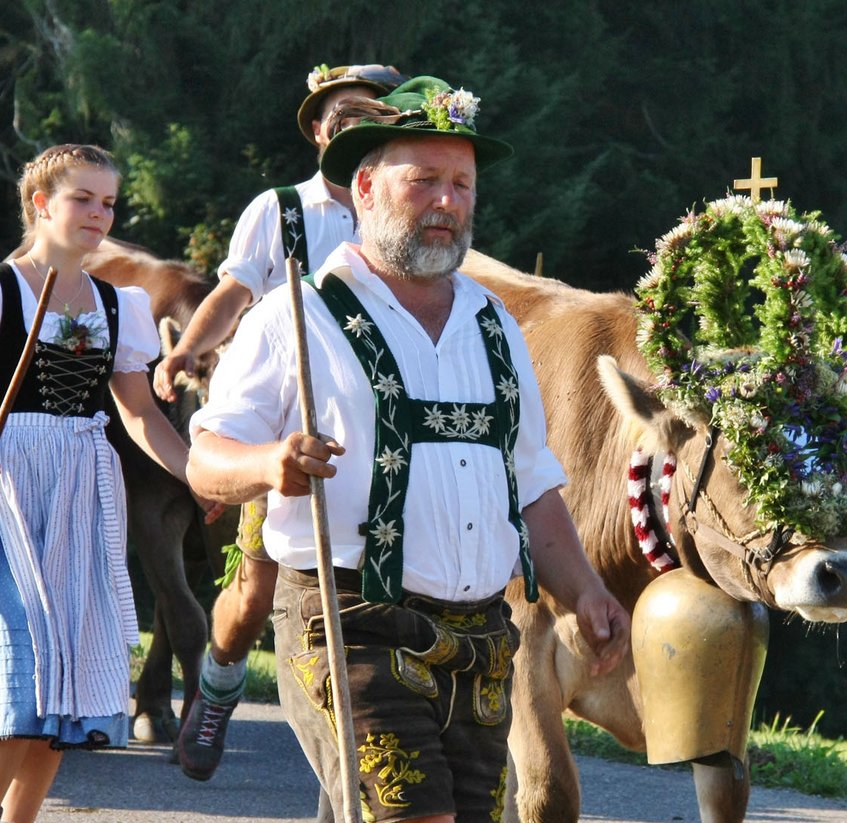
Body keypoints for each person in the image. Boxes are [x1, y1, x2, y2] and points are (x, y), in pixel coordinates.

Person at [188, 75, 630, 823]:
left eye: (462, 184)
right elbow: (206, 456)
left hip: (483, 643)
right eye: (423, 180)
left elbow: (531, 479)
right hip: (350, 619)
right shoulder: (294, 315)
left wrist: (585, 588)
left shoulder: (494, 324)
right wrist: (270, 464)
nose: (447, 201)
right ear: (365, 187)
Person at [0, 144, 202, 823]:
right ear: (40, 203)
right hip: (9, 486)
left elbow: (136, 411)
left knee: (62, 684)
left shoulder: (118, 305)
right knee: (22, 663)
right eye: (84, 199)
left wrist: (198, 472)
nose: (100, 214)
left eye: (108, 202)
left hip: (83, 489)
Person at [158, 63, 408, 783]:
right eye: (338, 113)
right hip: (290, 431)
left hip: (386, 432)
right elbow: (234, 291)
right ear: (318, 129)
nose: (349, 122)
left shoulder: (400, 210)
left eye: (366, 112)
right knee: (256, 591)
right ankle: (217, 688)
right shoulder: (281, 210)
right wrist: (184, 351)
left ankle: (380, 726)